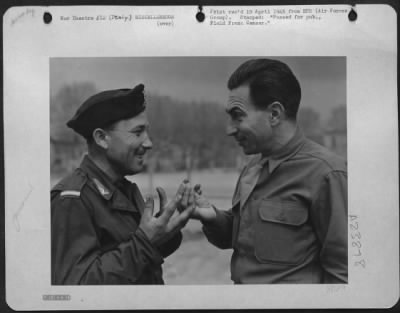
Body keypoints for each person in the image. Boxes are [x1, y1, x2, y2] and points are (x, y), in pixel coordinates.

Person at [193, 59, 348, 284]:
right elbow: (243, 239)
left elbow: (343, 277)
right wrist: (212, 217)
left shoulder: (327, 174)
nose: (229, 129)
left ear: (274, 114)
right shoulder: (251, 167)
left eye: (237, 115)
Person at [51, 84, 195, 285]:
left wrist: (165, 231)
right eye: (138, 133)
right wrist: (144, 241)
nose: (149, 143)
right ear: (102, 138)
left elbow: (140, 260)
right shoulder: (72, 200)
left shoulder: (124, 189)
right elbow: (77, 287)